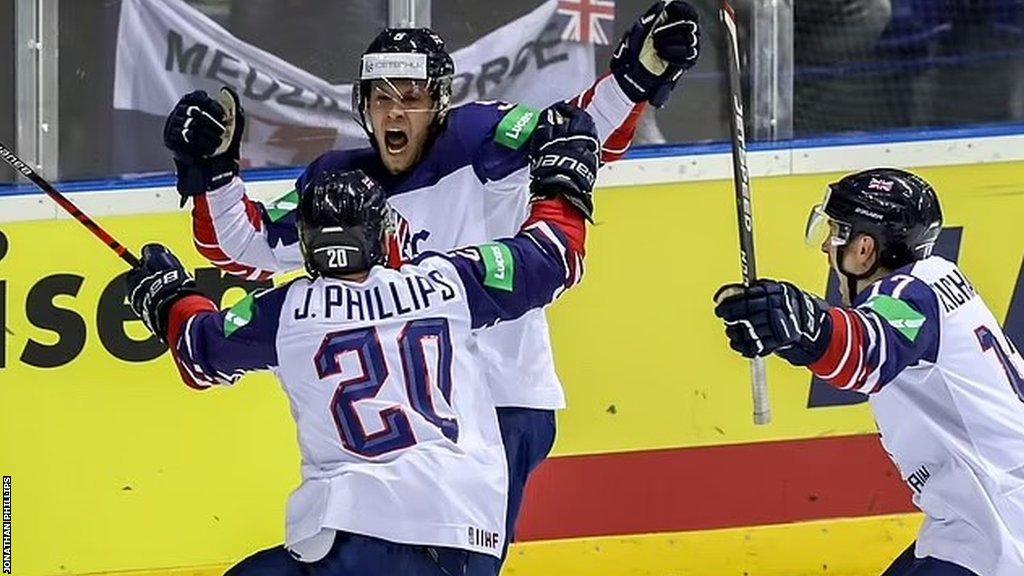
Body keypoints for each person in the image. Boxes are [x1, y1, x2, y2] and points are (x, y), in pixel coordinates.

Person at [161, 0, 701, 555]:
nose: (394, 114)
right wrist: (216, 174)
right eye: (380, 98)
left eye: (411, 98)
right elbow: (245, 244)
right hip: (406, 419)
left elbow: (575, 131)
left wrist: (638, 76)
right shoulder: (342, 186)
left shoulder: (480, 139)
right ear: (363, 106)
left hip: (499, 399)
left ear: (438, 103)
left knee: (451, 559)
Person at [129, 101, 598, 574]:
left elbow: (199, 349)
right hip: (464, 537)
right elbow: (552, 258)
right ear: (387, 236)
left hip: (354, 537)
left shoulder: (289, 311)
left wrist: (167, 297)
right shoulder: (445, 284)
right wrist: (562, 185)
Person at [713, 168, 1024, 576]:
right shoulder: (934, 280)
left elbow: (868, 348)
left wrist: (804, 323)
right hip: (978, 521)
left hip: (1000, 531)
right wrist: (799, 329)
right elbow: (872, 335)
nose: (827, 244)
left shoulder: (910, 296)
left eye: (836, 231)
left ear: (864, 248)